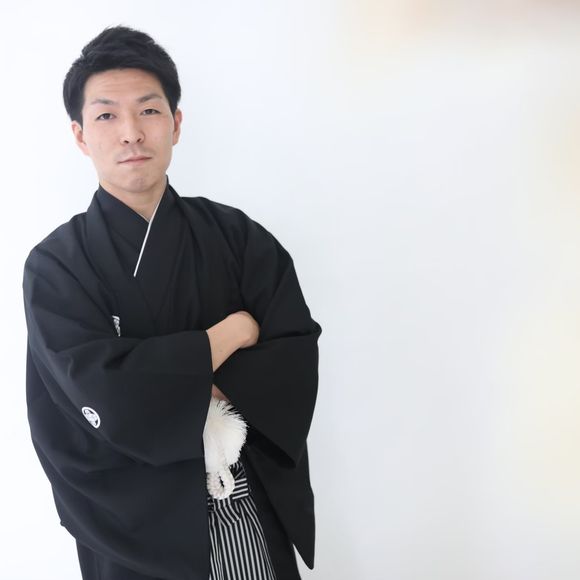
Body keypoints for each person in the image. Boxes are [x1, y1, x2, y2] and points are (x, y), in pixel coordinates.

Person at [22, 25, 322, 580]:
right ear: (80, 136)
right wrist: (228, 336)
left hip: (247, 502)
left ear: (176, 123)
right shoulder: (57, 265)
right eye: (106, 115)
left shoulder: (237, 237)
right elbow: (99, 394)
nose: (131, 133)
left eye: (149, 111)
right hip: (131, 529)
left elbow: (293, 361)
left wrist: (157, 380)